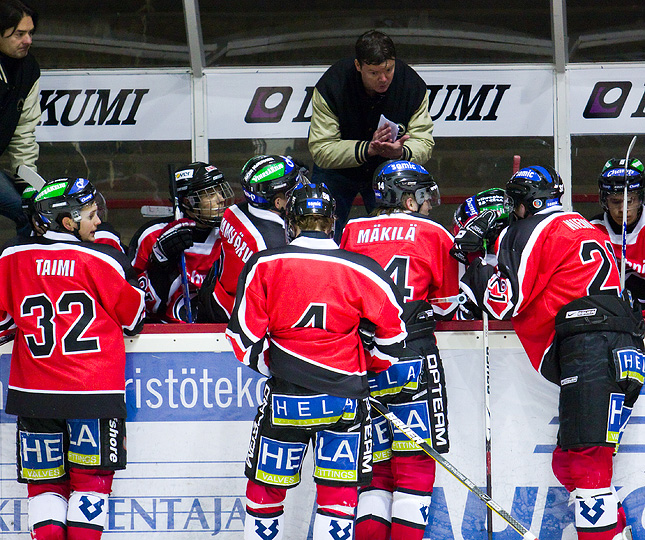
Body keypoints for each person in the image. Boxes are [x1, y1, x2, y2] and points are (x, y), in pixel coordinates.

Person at [457, 166, 643, 540]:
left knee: (588, 465)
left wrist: (473, 259)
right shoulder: (581, 223)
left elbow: (500, 303)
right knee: (569, 462)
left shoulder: (526, 230)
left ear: (526, 202)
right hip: (625, 347)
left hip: (590, 349)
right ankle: (616, 532)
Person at [226, 182, 408, 540]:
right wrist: (367, 365)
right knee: (338, 498)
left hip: (285, 397)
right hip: (345, 398)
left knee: (266, 492)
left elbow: (242, 340)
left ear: (290, 223)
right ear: (332, 222)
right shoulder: (363, 267)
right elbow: (394, 336)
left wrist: (277, 364)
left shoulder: (265, 264)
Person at [0, 176, 145, 540]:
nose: (98, 222)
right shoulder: (102, 260)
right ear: (68, 222)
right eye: (92, 214)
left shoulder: (11, 257)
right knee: (91, 486)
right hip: (94, 395)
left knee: (44, 488)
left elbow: (2, 325)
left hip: (33, 396)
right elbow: (134, 318)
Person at [339, 160, 459, 540]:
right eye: (423, 197)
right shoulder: (434, 232)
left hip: (364, 357)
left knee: (375, 467)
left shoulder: (352, 230)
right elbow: (445, 306)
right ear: (408, 200)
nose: (428, 205)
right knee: (416, 461)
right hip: (412, 353)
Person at [308, 29, 434, 242]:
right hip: (337, 170)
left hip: (389, 168)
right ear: (358, 66)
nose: (383, 79)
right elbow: (322, 150)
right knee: (315, 233)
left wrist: (402, 152)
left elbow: (425, 143)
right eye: (374, 73)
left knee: (397, 238)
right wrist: (368, 148)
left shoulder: (412, 85)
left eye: (389, 69)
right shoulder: (332, 85)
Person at [197, 154, 303, 322]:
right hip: (240, 321)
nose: (299, 192)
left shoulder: (231, 212)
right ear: (277, 202)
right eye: (294, 189)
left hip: (216, 299)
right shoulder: (275, 247)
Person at [128, 161, 233, 323]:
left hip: (217, 331)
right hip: (165, 332)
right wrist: (160, 262)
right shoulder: (152, 235)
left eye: (220, 191)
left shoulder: (231, 233)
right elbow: (136, 301)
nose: (220, 199)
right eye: (210, 194)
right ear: (187, 201)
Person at [0, 0, 40, 237]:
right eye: (19, 34)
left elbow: (23, 132)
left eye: (30, 33)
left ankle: (20, 272)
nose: (28, 41)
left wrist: (29, 187)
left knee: (31, 212)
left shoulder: (28, 69)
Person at [590, 158, 645, 307]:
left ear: (640, 199)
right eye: (615, 201)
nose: (622, 209)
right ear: (604, 200)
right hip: (611, 321)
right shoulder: (591, 231)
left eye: (630, 201)